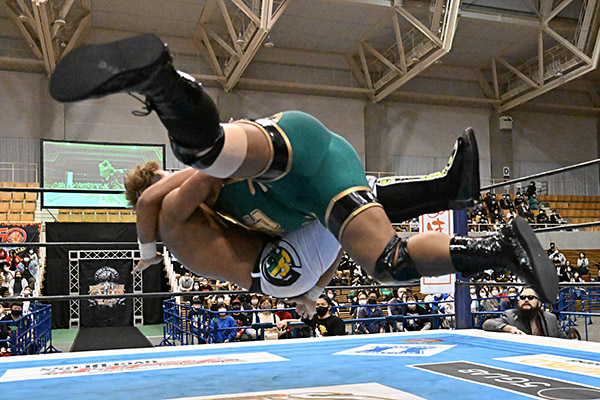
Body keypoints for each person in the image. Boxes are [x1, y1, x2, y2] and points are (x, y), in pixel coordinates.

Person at [49, 33, 559, 307]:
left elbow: (157, 195)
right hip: (309, 164)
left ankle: (163, 84)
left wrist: (146, 254)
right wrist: (314, 293)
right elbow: (159, 196)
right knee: (379, 251)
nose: (173, 180)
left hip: (292, 174)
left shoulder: (191, 208)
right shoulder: (211, 214)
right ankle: (465, 207)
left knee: (210, 154)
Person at [482, 288, 568, 338]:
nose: (526, 300)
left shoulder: (551, 318)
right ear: (518, 302)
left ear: (539, 302)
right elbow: (488, 324)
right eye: (522, 297)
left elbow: (563, 339)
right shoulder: (510, 316)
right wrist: (509, 328)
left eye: (530, 297)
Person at [278, 296, 345, 337]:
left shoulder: (337, 321)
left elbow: (339, 341)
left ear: (329, 307)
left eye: (323, 304)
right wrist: (285, 321)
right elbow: (299, 321)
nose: (320, 307)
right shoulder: (314, 317)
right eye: (317, 305)